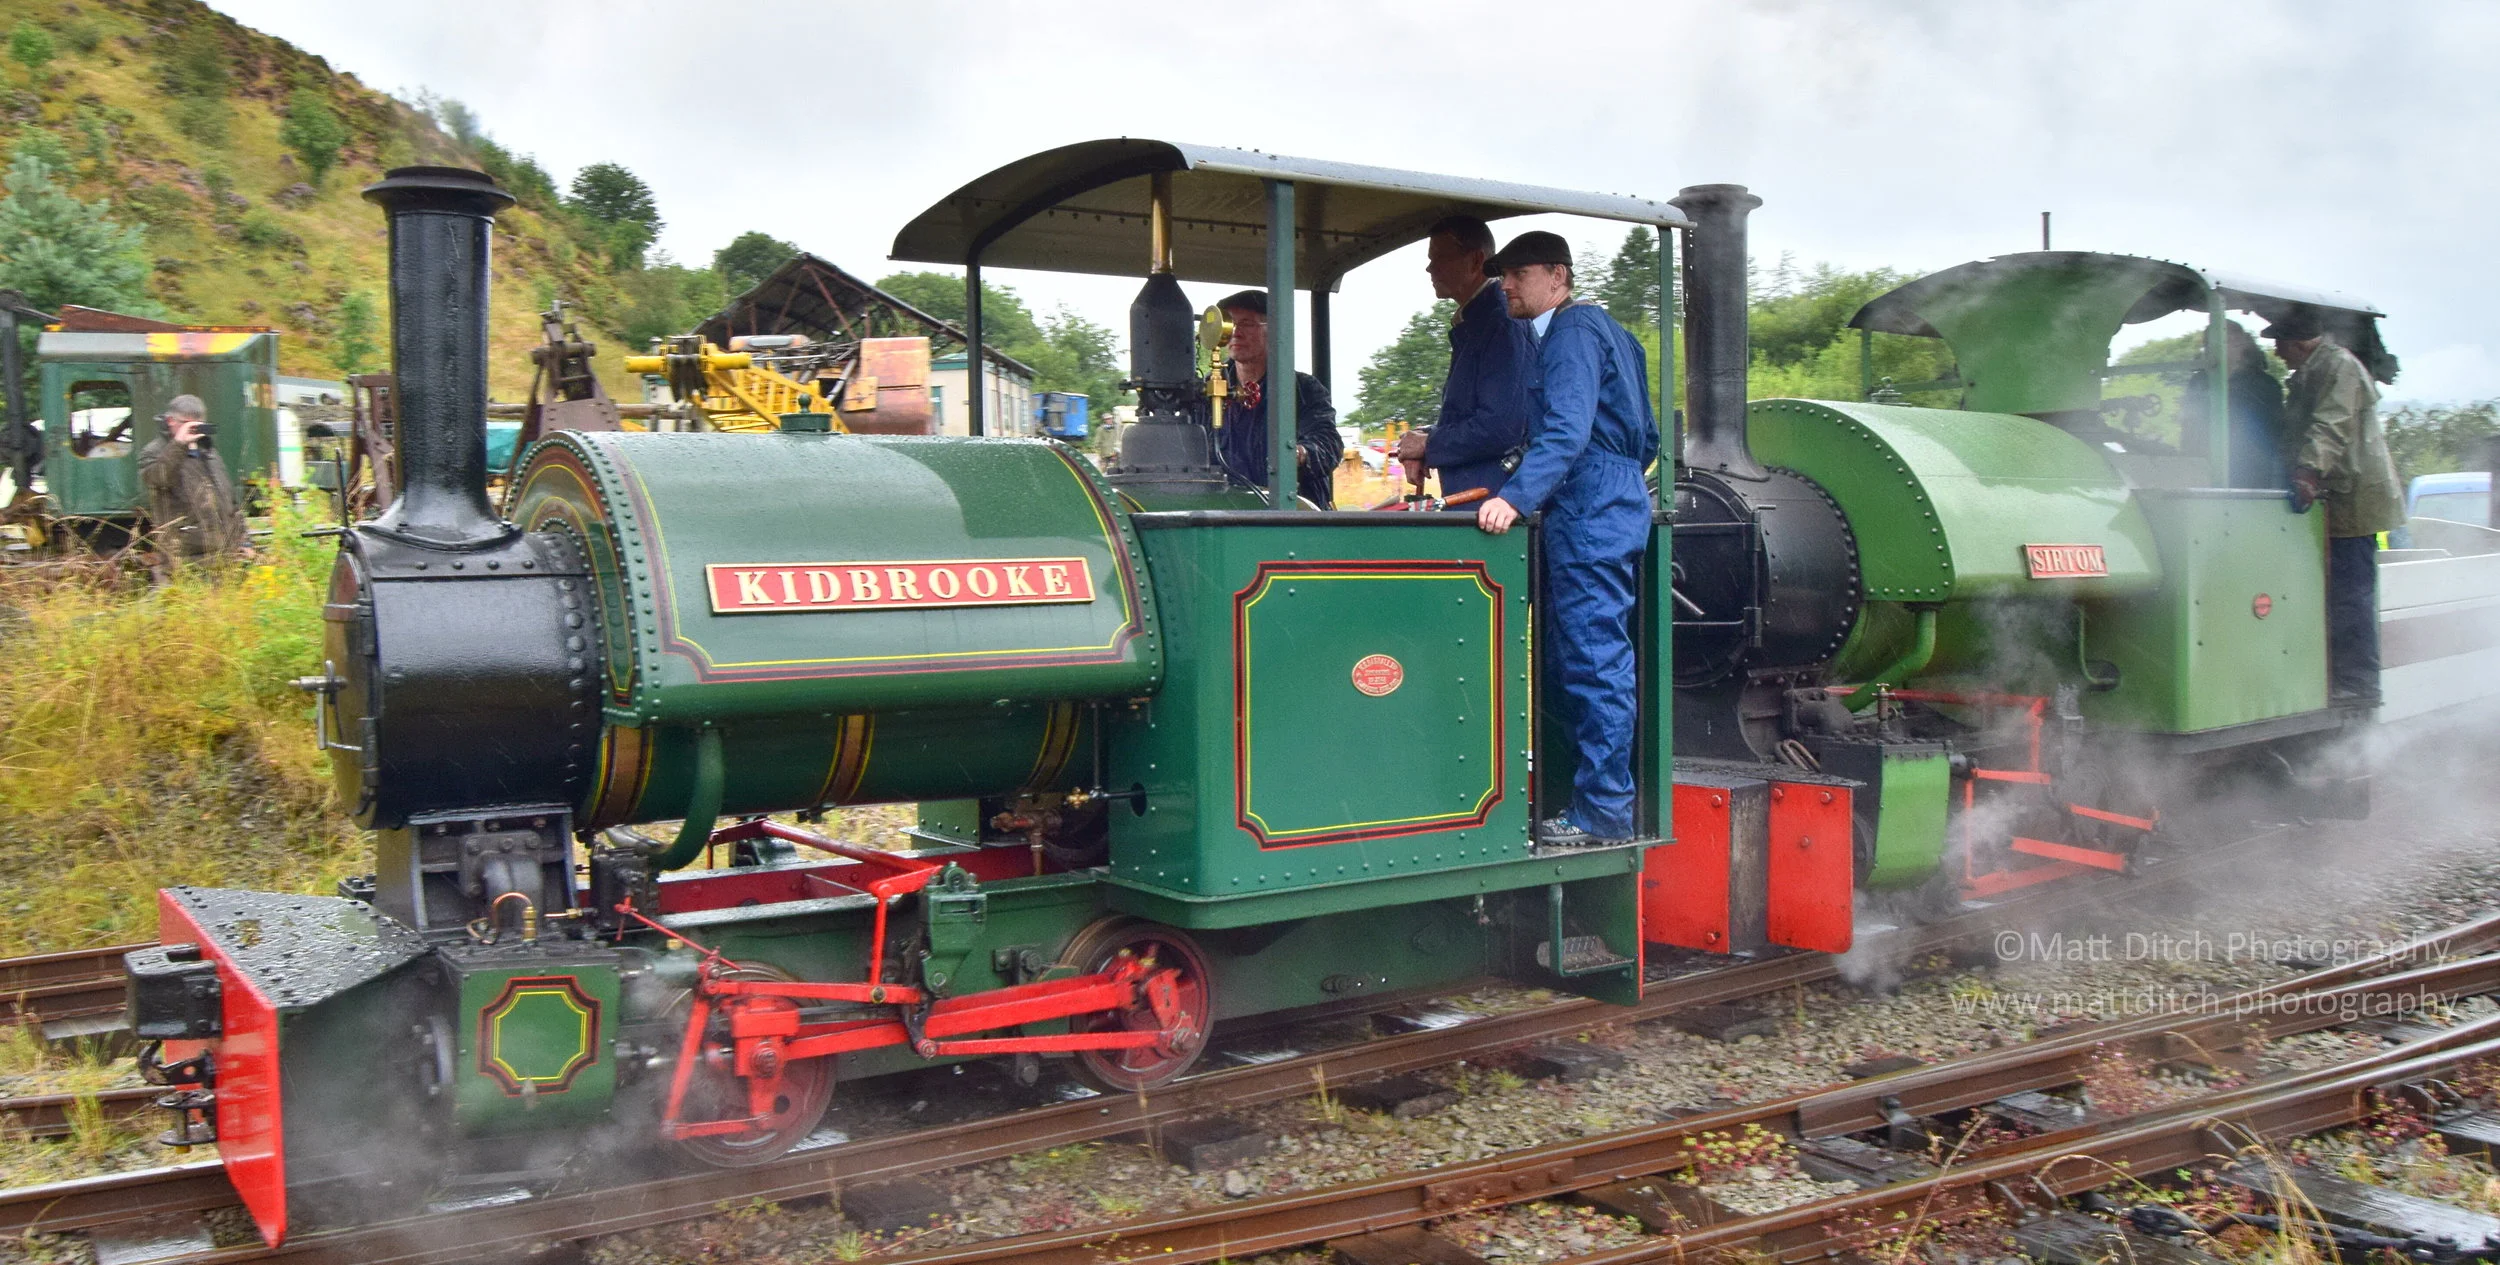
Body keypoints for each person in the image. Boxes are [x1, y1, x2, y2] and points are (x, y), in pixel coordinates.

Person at [1472, 231, 1658, 847]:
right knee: (1582, 658)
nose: (1505, 286)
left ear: (1558, 276)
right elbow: (1648, 437)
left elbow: (1568, 431)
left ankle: (1602, 812)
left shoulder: (1572, 332)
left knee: (1593, 662)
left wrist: (1514, 496)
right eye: (1501, 275)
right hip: (1612, 495)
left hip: (1588, 505)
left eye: (1517, 275)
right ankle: (1589, 801)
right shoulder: (1614, 332)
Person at [2270, 306, 2403, 704]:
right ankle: (2334, 677)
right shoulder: (2314, 370)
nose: (2276, 352)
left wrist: (2307, 472)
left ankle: (2359, 683)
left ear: (2298, 343)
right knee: (2337, 595)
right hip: (2335, 499)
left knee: (2351, 595)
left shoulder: (2339, 367)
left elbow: (2332, 424)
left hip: (2352, 500)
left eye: (2279, 343)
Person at [1393, 216, 1536, 499]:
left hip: (1492, 502)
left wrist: (1429, 445)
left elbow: (1501, 427)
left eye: (1439, 258)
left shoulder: (1500, 325)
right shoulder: (1479, 322)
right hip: (1481, 497)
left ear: (1476, 260)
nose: (1429, 268)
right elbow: (1473, 416)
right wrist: (1423, 439)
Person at [1205, 289, 1343, 507]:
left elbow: (1329, 445)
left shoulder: (1303, 389)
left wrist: (1300, 453)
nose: (1236, 333)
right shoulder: (1206, 391)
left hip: (1290, 514)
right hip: (1226, 512)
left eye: (1247, 324)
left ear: (1274, 330)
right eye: (1230, 324)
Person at [137, 393, 246, 567]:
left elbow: (230, 502)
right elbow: (157, 479)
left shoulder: (208, 452)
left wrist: (245, 542)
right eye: (187, 424)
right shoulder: (153, 452)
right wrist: (179, 444)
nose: (194, 431)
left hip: (225, 554)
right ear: (170, 421)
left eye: (199, 425)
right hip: (186, 557)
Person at [2199, 321, 2289, 490]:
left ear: (2239, 344)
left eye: (2217, 343)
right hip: (2203, 471)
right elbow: (2190, 428)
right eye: (2207, 345)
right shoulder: (2199, 381)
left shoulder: (2263, 385)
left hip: (2252, 476)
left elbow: (2275, 437)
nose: (2209, 350)